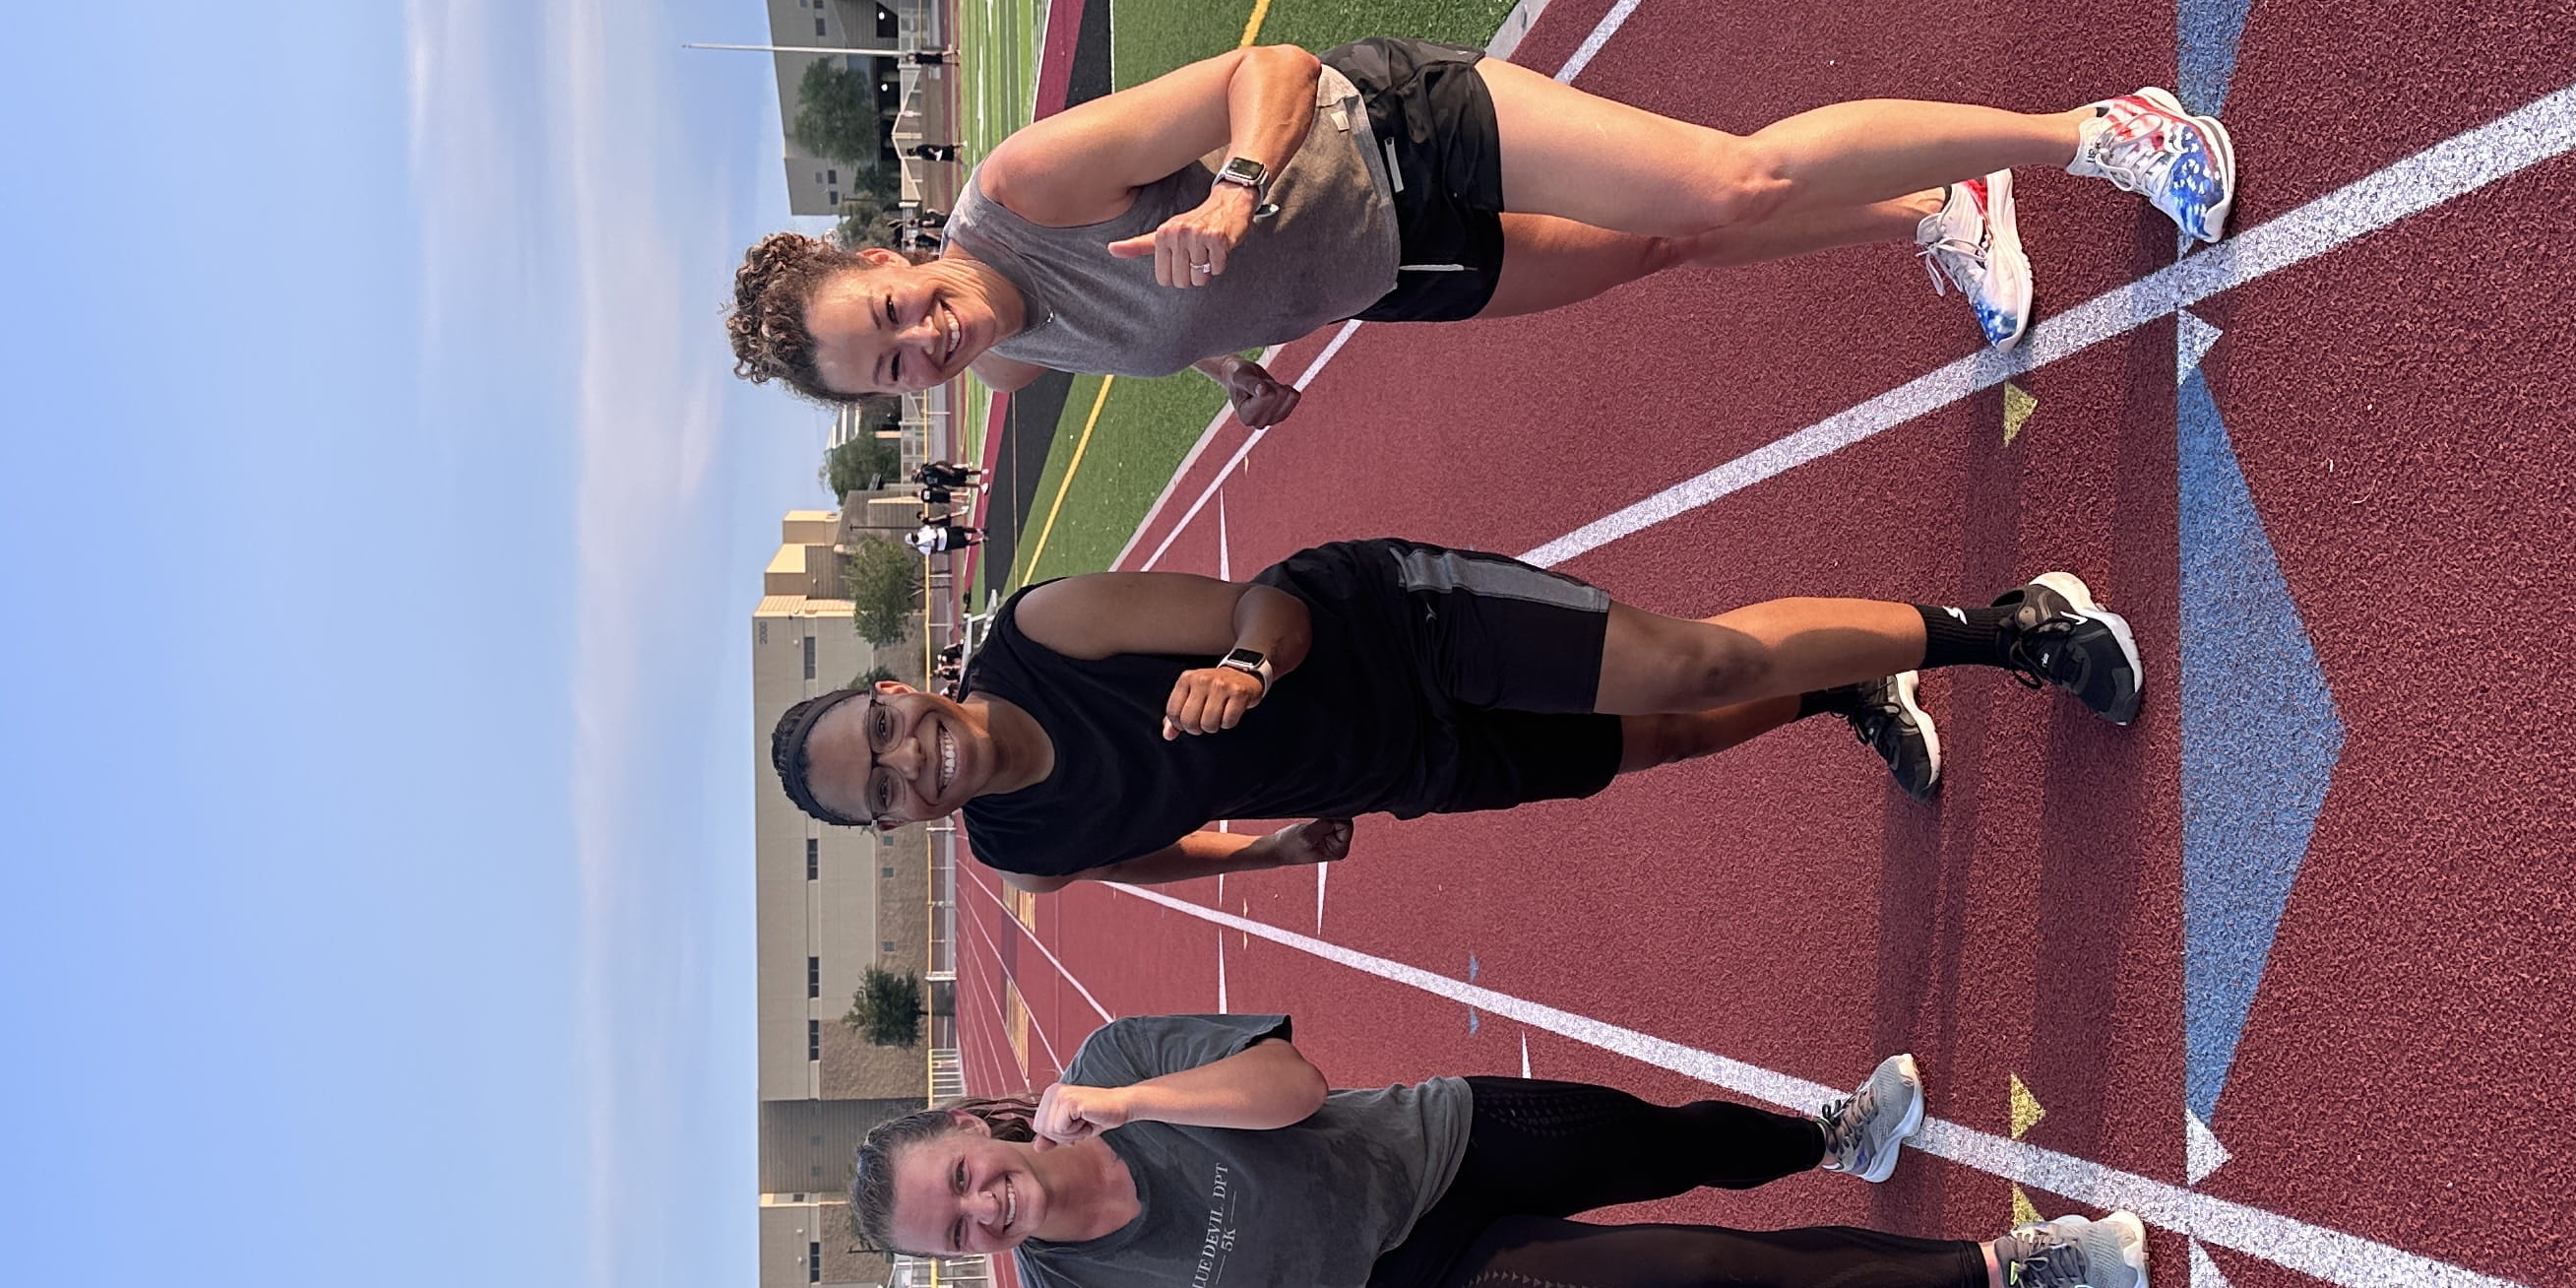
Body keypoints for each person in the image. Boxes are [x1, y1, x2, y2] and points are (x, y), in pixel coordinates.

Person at [722, 36, 2234, 429]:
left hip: (1397, 128)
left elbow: (1273, 70)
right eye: (896, 372)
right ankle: (1935, 210)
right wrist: (1226, 368)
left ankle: (2102, 134)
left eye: (900, 309)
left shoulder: (1029, 180)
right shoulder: (1005, 373)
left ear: (890, 251)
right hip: (1393, 273)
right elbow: (1129, 321)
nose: (930, 341)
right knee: (1669, 251)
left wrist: (1238, 190)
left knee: (1732, 187)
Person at [850, 1018, 2149, 1288]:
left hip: (1440, 1139)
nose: (982, 1211)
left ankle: (1833, 1138)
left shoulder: (1118, 1063)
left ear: (975, 1130)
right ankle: (2017, 1264)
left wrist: (1129, 1099)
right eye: (954, 1233)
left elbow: (1293, 1084)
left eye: (960, 1179)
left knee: (1672, 1142)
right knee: (1698, 1271)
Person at [764, 537, 2145, 885]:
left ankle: (2006, 627)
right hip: (1402, 761)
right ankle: (1847, 682)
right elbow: (1124, 858)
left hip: (1389, 629)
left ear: (900, 690)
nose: (906, 764)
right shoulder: (1012, 848)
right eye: (881, 789)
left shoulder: (1047, 634)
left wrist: (1244, 672)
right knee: (1656, 744)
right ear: (897, 823)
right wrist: (1267, 851)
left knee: (1689, 667)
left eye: (882, 733)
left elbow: (1266, 606)